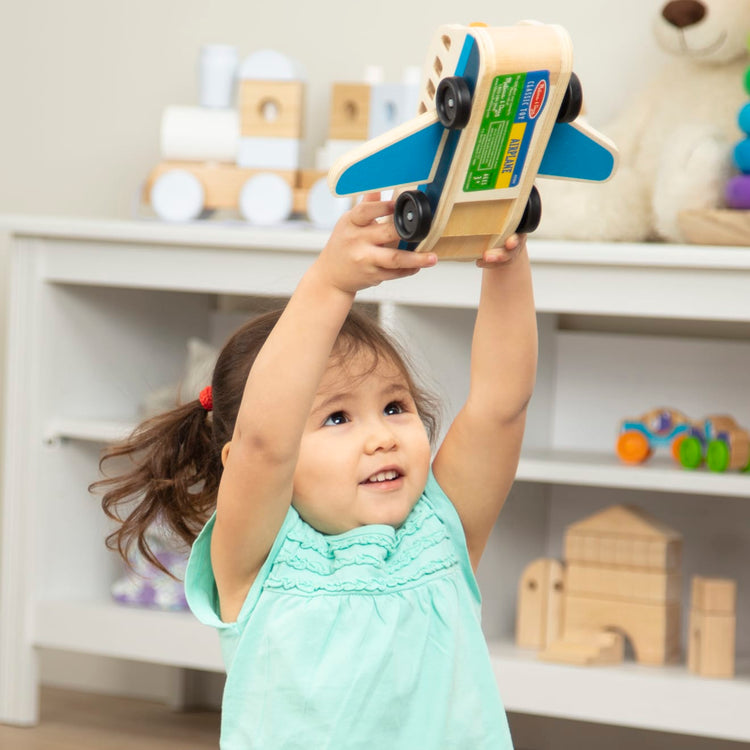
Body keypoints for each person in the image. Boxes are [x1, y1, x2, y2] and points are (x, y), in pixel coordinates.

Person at [93, 192, 537, 749]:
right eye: (336, 418)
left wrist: (507, 260)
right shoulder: (256, 559)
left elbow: (502, 404)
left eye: (395, 408)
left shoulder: (440, 533)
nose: (382, 436)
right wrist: (330, 284)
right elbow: (265, 443)